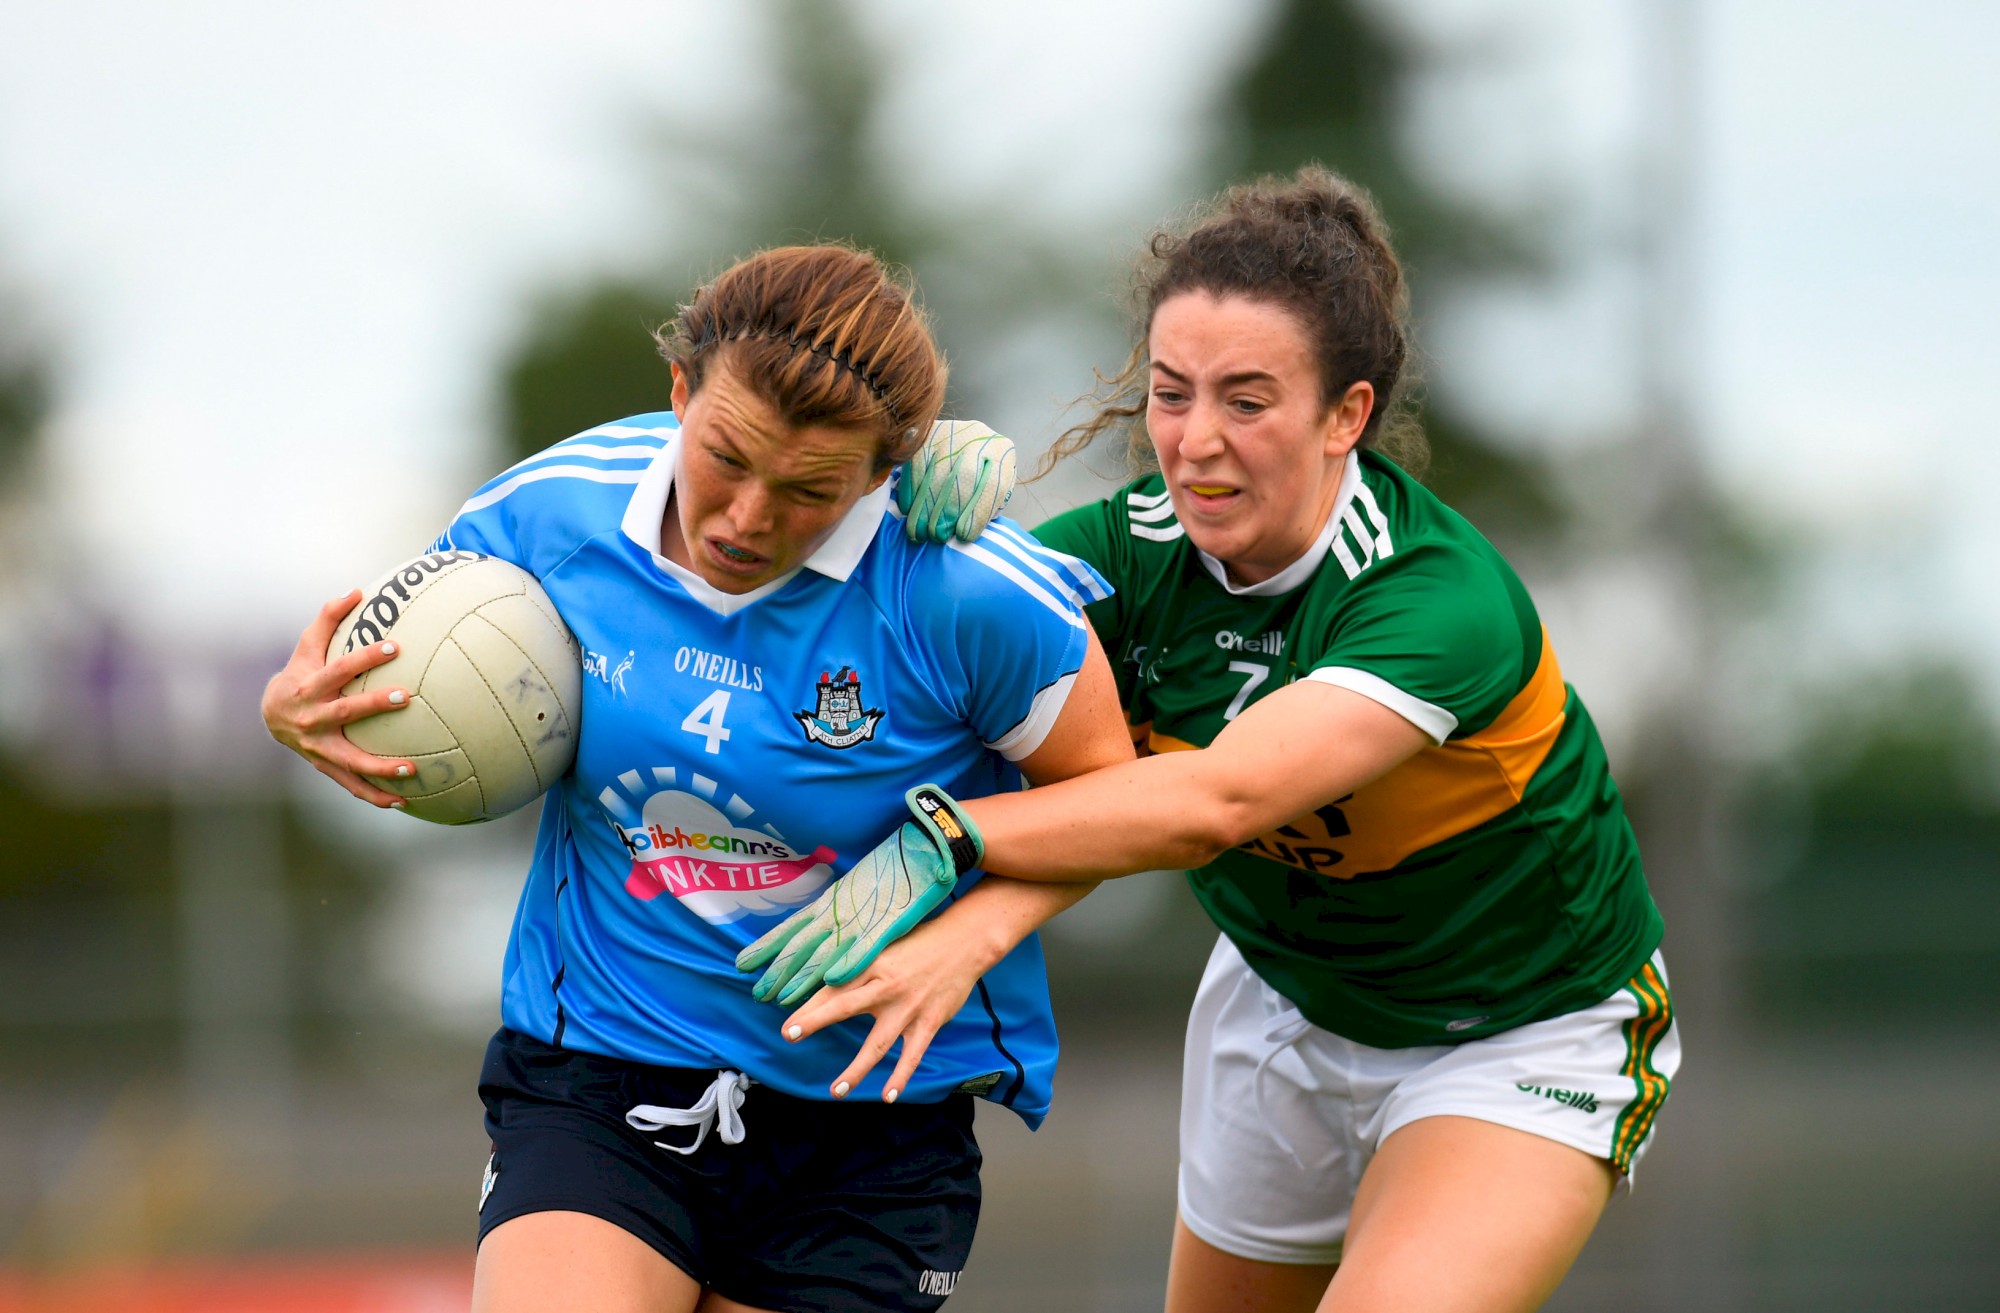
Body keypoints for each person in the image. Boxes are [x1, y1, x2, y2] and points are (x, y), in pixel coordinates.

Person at [750, 171, 1680, 1313]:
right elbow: (952, 701)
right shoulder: (1120, 558)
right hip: (1283, 1006)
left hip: (1520, 1029)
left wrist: (950, 844)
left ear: (1345, 413)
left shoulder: (1434, 601)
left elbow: (1213, 803)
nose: (1193, 443)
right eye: (1171, 393)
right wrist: (905, 515)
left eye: (1246, 400)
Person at [261, 242, 1135, 1313]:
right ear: (679, 391)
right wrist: (298, 710)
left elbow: (1119, 797)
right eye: (724, 455)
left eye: (810, 487)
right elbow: (421, 676)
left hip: (872, 1131)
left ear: (881, 471)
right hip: (601, 1078)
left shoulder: (966, 589)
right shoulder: (548, 513)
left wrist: (968, 925)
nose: (744, 517)